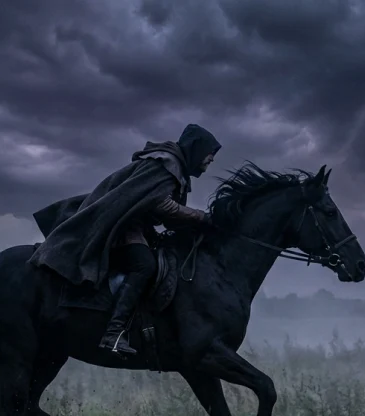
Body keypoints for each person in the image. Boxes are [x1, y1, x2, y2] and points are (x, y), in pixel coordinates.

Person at [28, 124, 221, 355]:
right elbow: (160, 203)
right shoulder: (166, 164)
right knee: (144, 265)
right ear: (197, 150)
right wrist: (201, 216)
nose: (208, 164)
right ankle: (114, 333)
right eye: (208, 159)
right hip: (122, 226)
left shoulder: (173, 166)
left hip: (135, 225)